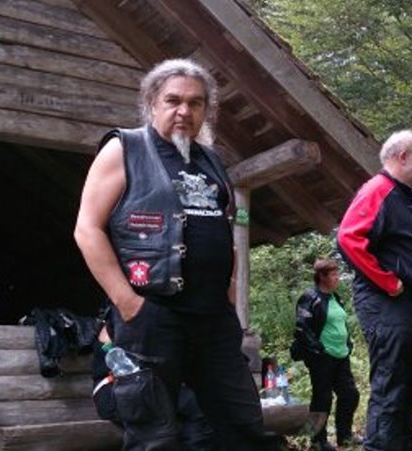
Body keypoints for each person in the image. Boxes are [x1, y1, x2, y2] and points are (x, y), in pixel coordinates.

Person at [74, 58, 279, 450]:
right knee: (154, 437)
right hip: (153, 317)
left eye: (195, 102)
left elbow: (226, 235)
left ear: (206, 110)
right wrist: (128, 303)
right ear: (152, 103)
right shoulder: (125, 149)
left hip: (213, 321)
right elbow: (87, 229)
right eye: (173, 100)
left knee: (244, 428)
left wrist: (229, 301)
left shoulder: (211, 160)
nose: (184, 110)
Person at [337, 130, 412, 451]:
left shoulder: (402, 195)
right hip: (385, 303)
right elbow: (349, 238)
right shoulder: (378, 189)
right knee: (390, 376)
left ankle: (404, 441)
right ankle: (380, 445)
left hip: (411, 304)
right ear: (402, 156)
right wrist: (387, 281)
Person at [92, 320, 215, 450]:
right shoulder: (120, 319)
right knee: (194, 406)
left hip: (153, 384)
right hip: (119, 389)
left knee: (201, 404)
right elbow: (110, 350)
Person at [291, 259, 361, 451]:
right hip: (321, 357)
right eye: (333, 274)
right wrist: (317, 349)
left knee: (350, 394)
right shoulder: (310, 297)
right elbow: (302, 328)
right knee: (322, 398)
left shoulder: (335, 297)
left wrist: (348, 343)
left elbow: (340, 323)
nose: (338, 277)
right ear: (322, 276)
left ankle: (344, 437)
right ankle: (316, 441)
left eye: (338, 273)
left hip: (341, 355)